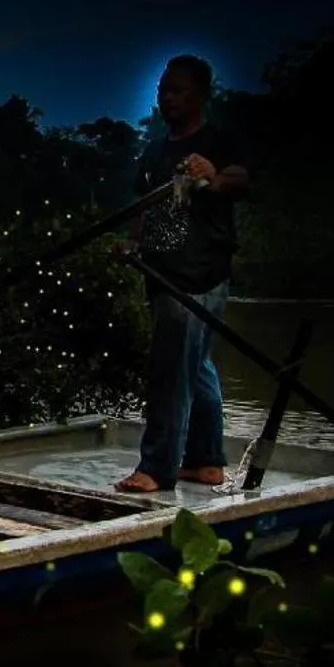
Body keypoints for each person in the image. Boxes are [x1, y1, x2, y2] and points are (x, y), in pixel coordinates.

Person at [114, 55, 252, 493]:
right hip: (162, 273)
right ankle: (206, 462)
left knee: (171, 372)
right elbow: (145, 206)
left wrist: (212, 175)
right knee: (198, 369)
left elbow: (240, 180)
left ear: (201, 94)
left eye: (177, 91)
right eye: (163, 90)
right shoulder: (155, 151)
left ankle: (157, 468)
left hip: (198, 276)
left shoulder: (218, 142)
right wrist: (133, 243)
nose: (167, 98)